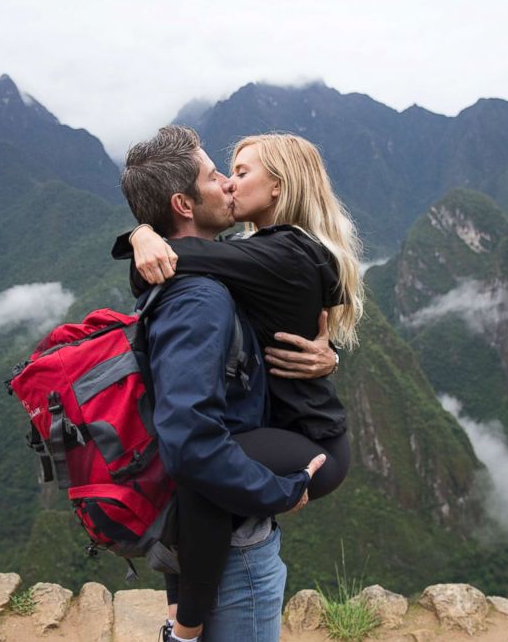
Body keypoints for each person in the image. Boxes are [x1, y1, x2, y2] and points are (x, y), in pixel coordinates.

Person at [116, 129, 365, 640]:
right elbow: (173, 266)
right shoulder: (260, 251)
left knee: (200, 462)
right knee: (196, 459)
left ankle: (183, 629)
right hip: (292, 430)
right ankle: (183, 622)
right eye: (221, 175)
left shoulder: (286, 254)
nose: (229, 184)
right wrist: (143, 233)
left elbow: (174, 261)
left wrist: (143, 235)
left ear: (279, 187)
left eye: (241, 172)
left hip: (313, 445)